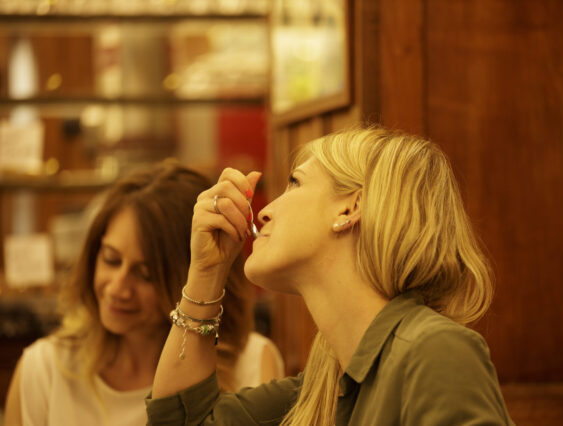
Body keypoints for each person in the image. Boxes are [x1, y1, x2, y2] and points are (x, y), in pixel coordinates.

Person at [147, 127, 514, 425]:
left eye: (295, 182)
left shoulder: (434, 351)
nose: (263, 212)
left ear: (350, 208)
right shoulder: (327, 382)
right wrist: (207, 271)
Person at [4, 161, 284, 426]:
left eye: (145, 275)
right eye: (111, 260)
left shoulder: (250, 364)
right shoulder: (43, 369)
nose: (118, 288)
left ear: (191, 277)